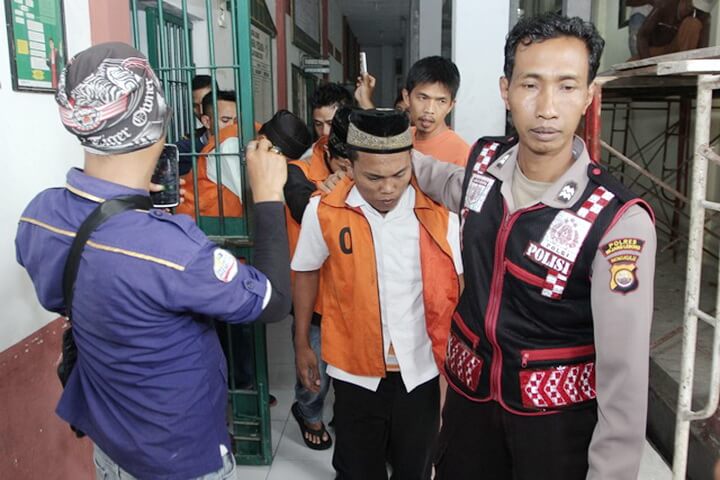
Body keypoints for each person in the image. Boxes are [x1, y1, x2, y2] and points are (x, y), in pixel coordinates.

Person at [15, 42, 291, 479]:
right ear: (157, 120)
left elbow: (69, 293)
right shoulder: (171, 250)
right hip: (181, 455)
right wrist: (270, 197)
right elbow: (273, 303)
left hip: (111, 444)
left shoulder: (40, 216)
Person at [412, 14, 656, 479]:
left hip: (554, 431)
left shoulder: (615, 221)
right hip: (469, 410)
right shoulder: (485, 166)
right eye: (530, 85)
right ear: (506, 90)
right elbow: (443, 181)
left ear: (588, 95)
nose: (547, 108)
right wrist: (390, 153)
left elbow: (624, 381)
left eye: (567, 87)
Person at [292, 108, 463, 479]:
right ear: (350, 167)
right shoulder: (324, 211)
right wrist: (303, 342)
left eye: (399, 174)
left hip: (420, 372)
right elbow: (305, 270)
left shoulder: (438, 214)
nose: (387, 188)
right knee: (358, 469)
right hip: (355, 374)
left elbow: (458, 288)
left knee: (415, 468)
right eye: (373, 177)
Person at [284, 106, 353, 450]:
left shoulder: (364, 170)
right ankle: (308, 412)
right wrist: (325, 193)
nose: (349, 168)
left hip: (351, 295)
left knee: (348, 370)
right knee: (315, 374)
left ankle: (346, 414)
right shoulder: (299, 170)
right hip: (313, 298)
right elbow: (298, 203)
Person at [176, 90, 243, 218]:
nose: (232, 127)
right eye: (225, 120)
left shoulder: (239, 148)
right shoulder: (184, 151)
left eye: (236, 121)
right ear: (206, 121)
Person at [402, 56, 470, 167]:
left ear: (450, 106)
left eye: (441, 101)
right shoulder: (400, 139)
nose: (429, 110)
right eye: (423, 98)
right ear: (406, 97)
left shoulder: (462, 154)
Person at [636, 0, 716, 59]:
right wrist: (648, 64)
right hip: (656, 52)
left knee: (692, 24)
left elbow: (702, 50)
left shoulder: (703, 17)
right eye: (692, 6)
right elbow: (642, 36)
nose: (692, 10)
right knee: (629, 67)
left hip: (680, 55)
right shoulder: (665, 4)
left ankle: (683, 67)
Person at [176, 75, 216, 174]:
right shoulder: (187, 144)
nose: (201, 111)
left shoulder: (241, 136)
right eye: (195, 106)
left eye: (206, 103)